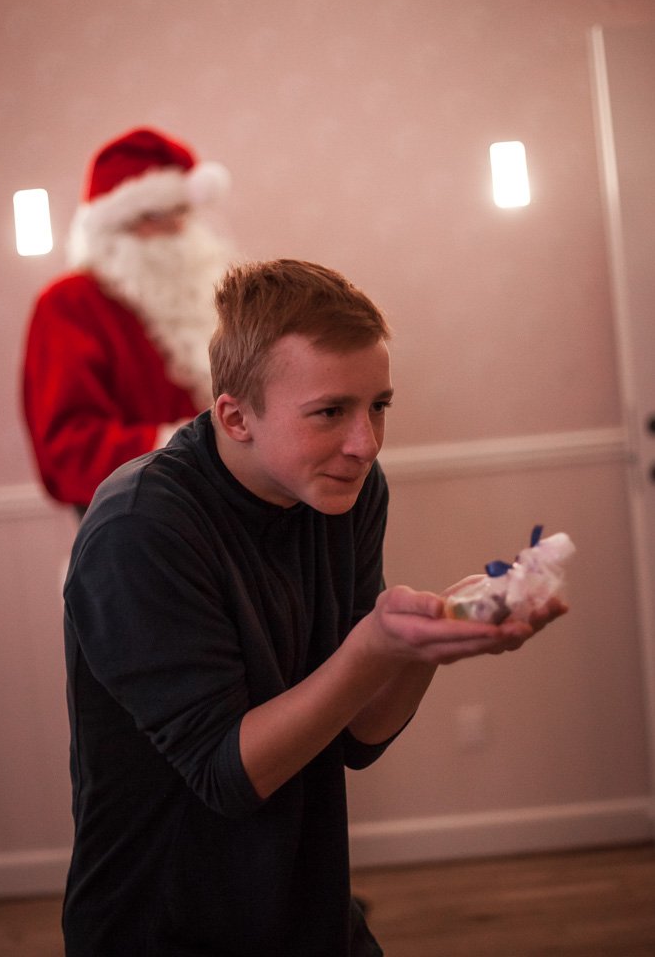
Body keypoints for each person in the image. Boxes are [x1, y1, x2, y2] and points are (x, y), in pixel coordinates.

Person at [62, 258, 567, 957]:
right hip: (162, 927)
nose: (365, 444)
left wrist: (427, 643)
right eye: (331, 412)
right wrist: (376, 647)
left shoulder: (346, 490)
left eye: (378, 406)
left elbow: (357, 736)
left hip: (308, 907)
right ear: (235, 416)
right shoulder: (139, 529)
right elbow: (228, 775)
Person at [21, 126, 235, 514]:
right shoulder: (69, 303)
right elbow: (69, 445)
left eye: (181, 213)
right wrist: (188, 446)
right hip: (135, 511)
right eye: (155, 215)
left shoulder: (207, 292)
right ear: (110, 227)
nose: (176, 228)